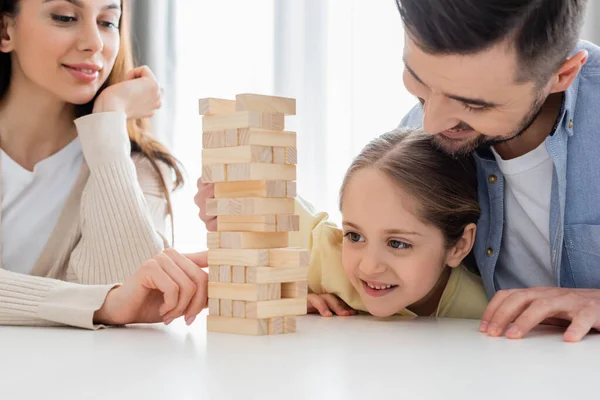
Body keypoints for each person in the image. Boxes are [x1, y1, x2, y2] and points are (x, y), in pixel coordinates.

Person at [198, 0, 600, 342]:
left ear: (561, 75)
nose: (431, 123)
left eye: (472, 105)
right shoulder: (427, 134)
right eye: (419, 83)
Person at [0, 0, 207, 329]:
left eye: (108, 22)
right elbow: (112, 300)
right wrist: (96, 304)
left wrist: (110, 117)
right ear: (5, 30)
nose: (94, 42)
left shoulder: (140, 170)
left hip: (81, 378)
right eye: (65, 17)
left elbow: (133, 296)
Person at [297, 128, 487, 319]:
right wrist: (280, 300)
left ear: (458, 246)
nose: (369, 267)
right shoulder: (324, 258)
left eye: (397, 243)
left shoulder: (484, 313)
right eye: (355, 236)